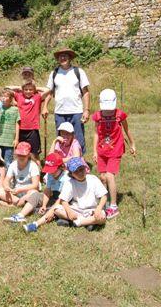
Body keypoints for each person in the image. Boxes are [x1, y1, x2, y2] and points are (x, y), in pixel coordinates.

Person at [92, 88, 136, 220]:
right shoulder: (98, 116)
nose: (108, 111)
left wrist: (132, 144)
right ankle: (104, 202)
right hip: (101, 151)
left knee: (110, 176)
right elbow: (95, 134)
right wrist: (94, 150)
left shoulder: (120, 115)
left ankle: (113, 206)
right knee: (103, 178)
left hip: (115, 150)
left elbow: (127, 131)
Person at [42, 47, 90, 153]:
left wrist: (86, 110)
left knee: (78, 139)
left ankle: (79, 164)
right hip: (60, 112)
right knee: (61, 140)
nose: (62, 58)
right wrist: (45, 106)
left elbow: (86, 92)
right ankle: (62, 164)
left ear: (70, 58)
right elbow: (50, 92)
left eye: (65, 56)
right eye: (60, 56)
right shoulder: (54, 73)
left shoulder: (78, 72)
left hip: (76, 111)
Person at [12, 152, 68, 229]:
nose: (51, 172)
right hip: (54, 197)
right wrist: (44, 205)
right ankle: (20, 215)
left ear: (60, 167)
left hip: (64, 201)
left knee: (55, 210)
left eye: (53, 170)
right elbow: (47, 191)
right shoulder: (50, 175)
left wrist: (51, 209)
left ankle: (50, 215)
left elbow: (62, 199)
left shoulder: (66, 178)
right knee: (35, 195)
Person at [52, 157, 107, 230]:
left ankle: (77, 222)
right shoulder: (70, 182)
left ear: (85, 168)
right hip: (76, 209)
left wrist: (98, 209)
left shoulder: (93, 179)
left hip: (92, 210)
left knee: (102, 217)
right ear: (71, 174)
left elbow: (104, 196)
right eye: (76, 171)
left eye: (81, 169)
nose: (80, 173)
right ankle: (88, 222)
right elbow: (63, 200)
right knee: (56, 209)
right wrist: (69, 212)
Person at [8, 80, 51, 166]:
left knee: (34, 154)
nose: (28, 91)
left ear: (34, 90)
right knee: (19, 153)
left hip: (33, 130)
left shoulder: (37, 97)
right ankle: (20, 172)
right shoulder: (19, 96)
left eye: (30, 89)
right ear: (22, 90)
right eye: (26, 89)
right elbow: (7, 88)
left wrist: (35, 88)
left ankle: (38, 175)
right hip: (20, 129)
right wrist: (20, 88)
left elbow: (48, 90)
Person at [0, 142, 40, 222]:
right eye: (19, 155)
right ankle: (19, 203)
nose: (21, 157)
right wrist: (6, 187)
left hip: (28, 193)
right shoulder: (13, 165)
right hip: (15, 194)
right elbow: (6, 181)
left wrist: (21, 189)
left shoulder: (33, 165)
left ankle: (12, 204)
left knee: (34, 192)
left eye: (23, 155)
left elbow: (35, 185)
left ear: (28, 155)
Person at [0, 89, 20, 168]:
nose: (4, 98)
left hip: (9, 140)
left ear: (11, 99)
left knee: (8, 161)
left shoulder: (15, 109)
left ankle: (8, 178)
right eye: (2, 96)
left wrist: (16, 138)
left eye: (6, 96)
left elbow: (17, 124)